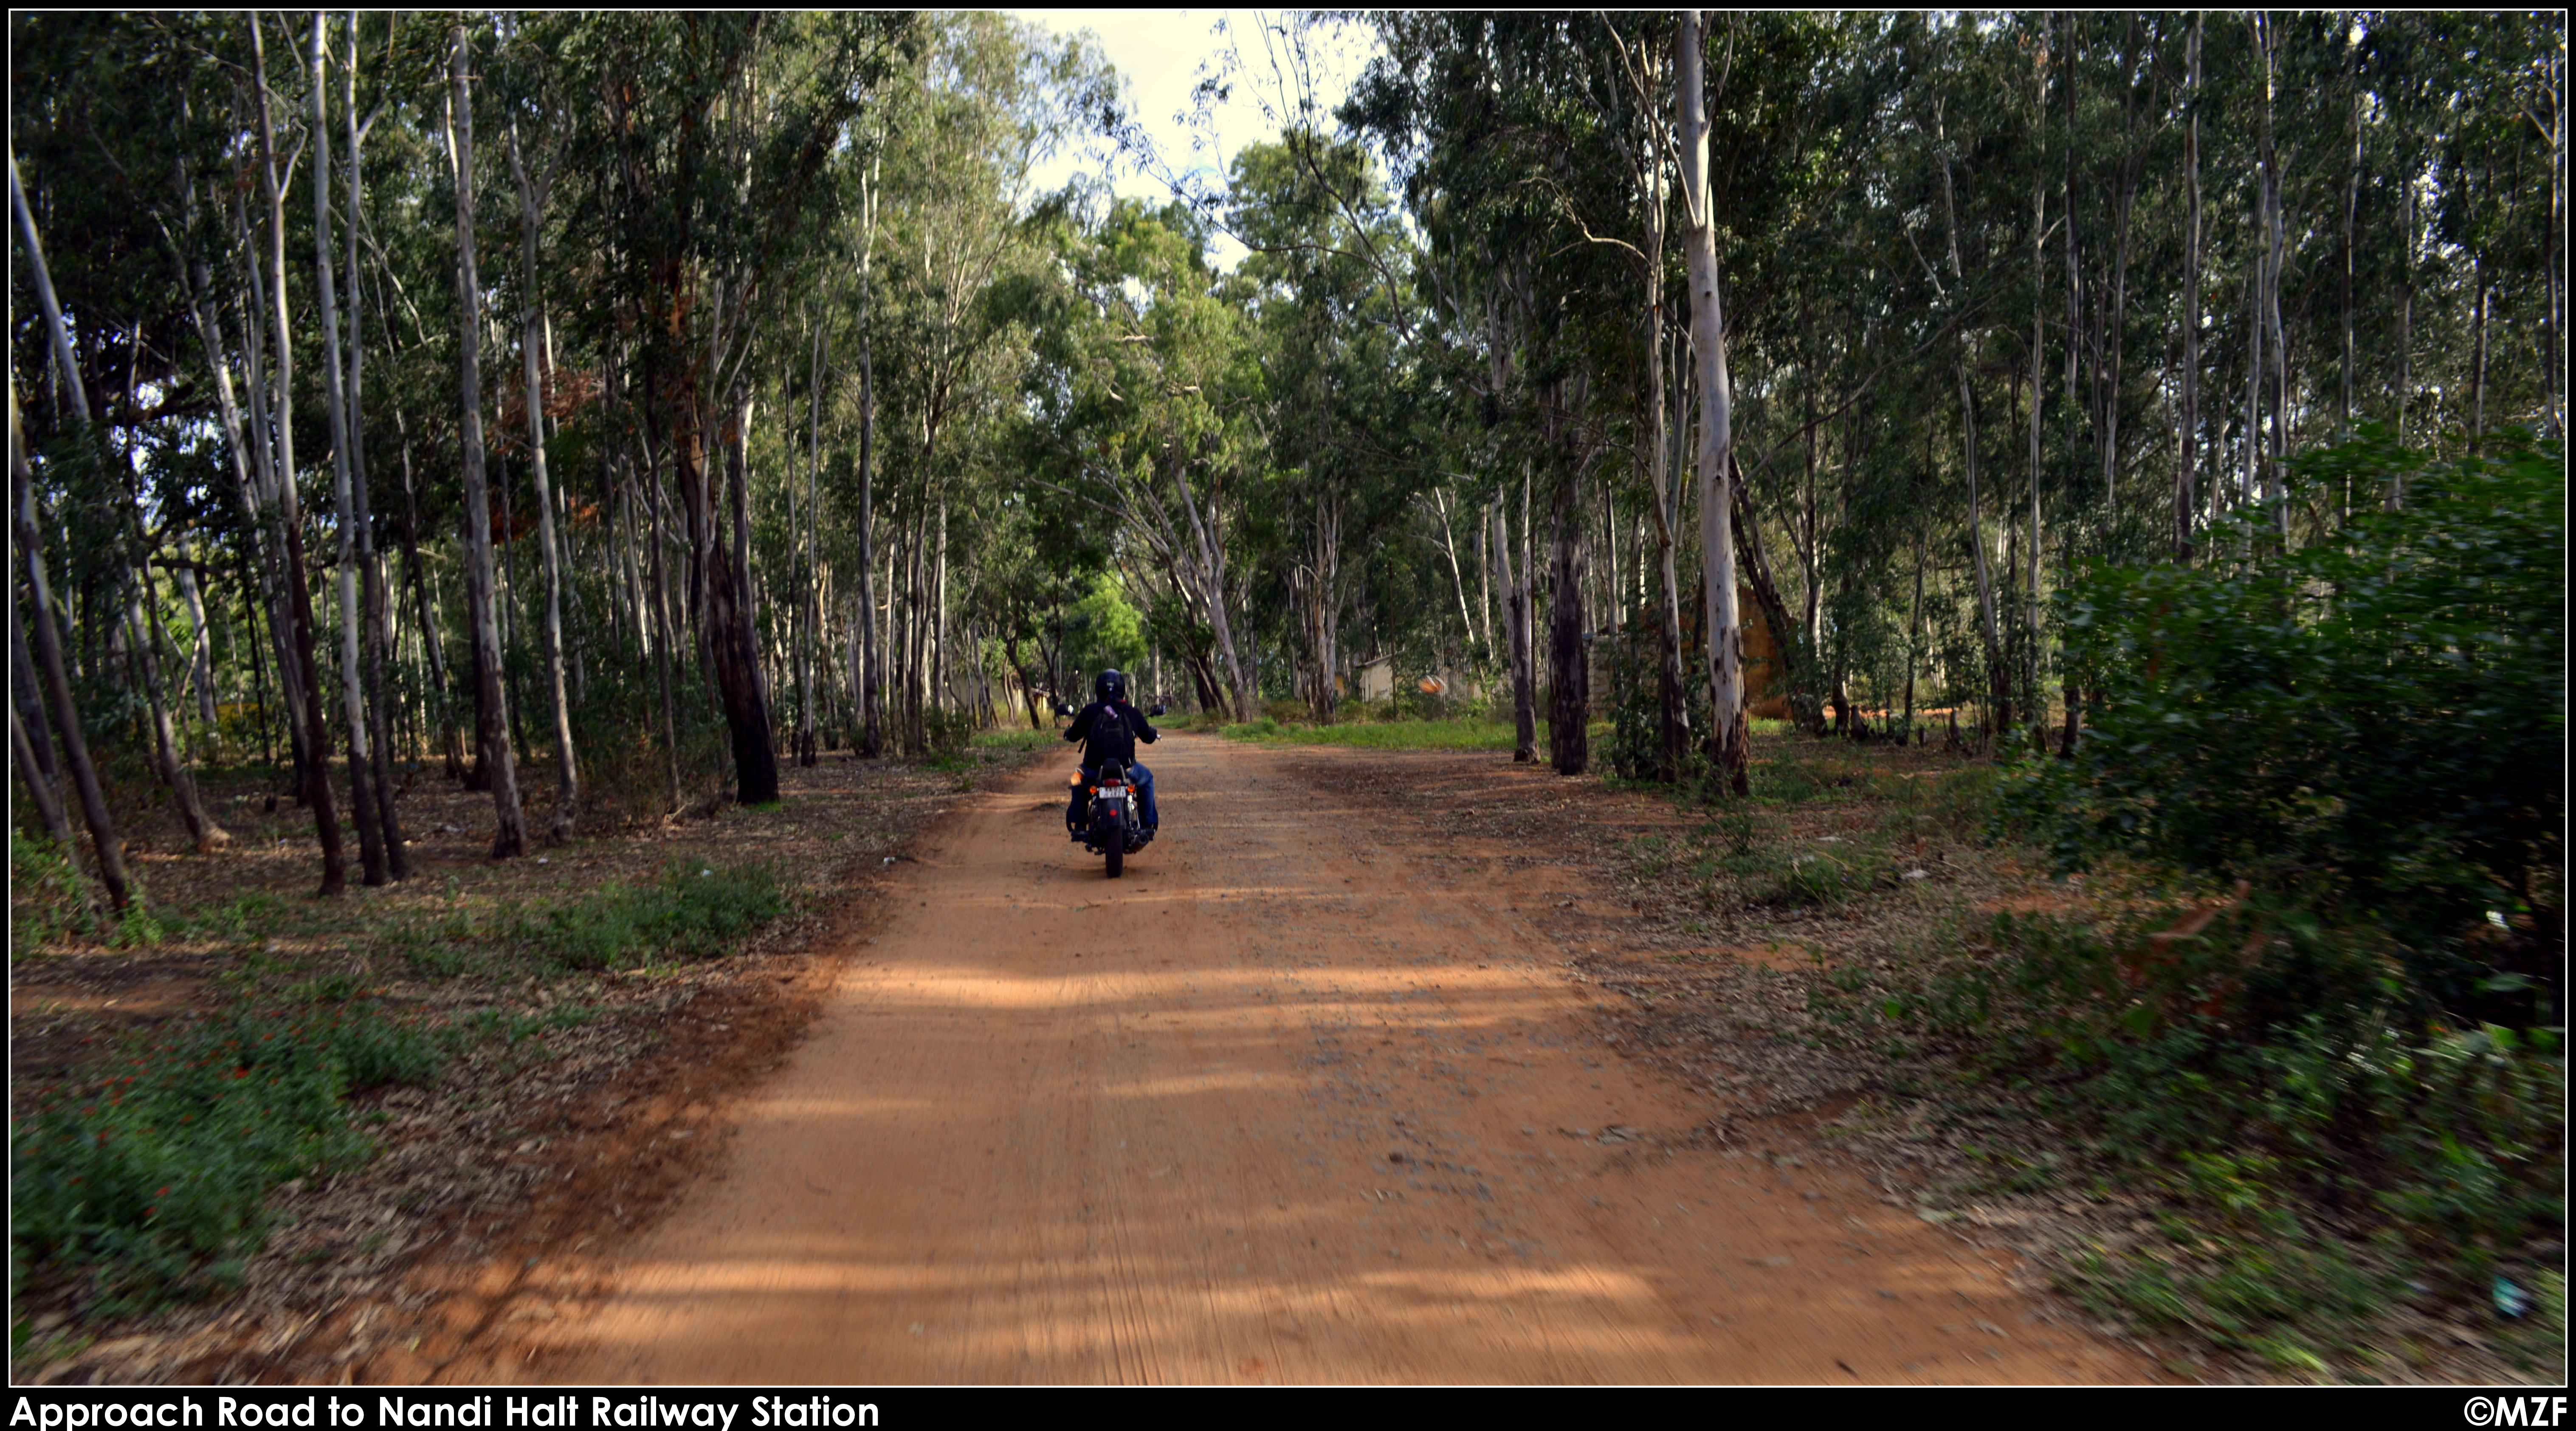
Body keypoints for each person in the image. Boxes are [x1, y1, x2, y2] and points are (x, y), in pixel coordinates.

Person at [1063, 669, 1158, 841]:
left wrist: (1068, 732)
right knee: (1147, 778)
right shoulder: (1131, 712)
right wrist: (1152, 732)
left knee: (1076, 779)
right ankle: (1147, 825)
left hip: (1093, 770)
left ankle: (1079, 824)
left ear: (1098, 689)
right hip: (1128, 770)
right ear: (1123, 688)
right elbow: (1149, 738)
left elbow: (1073, 736)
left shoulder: (1090, 711)